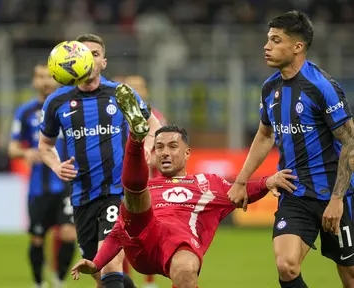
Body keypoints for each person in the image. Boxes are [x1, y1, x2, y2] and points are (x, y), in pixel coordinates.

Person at [70, 86, 297, 288]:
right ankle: (136, 138)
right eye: (159, 147)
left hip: (180, 247)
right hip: (143, 244)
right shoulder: (148, 184)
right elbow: (119, 231)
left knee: (186, 268)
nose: (165, 152)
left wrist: (268, 181)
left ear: (187, 153)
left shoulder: (208, 183)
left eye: (172, 146)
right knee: (136, 194)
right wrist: (97, 262)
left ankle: (135, 137)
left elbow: (241, 192)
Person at [226, 10, 354, 288]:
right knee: (286, 266)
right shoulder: (269, 88)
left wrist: (336, 200)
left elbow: (350, 142)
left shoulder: (322, 87)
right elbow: (264, 135)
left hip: (334, 194)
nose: (266, 46)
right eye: (267, 39)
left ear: (297, 47)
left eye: (275, 40)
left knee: (350, 276)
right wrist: (240, 180)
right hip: (295, 192)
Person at [38, 33, 161, 288]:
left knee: (110, 263)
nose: (88, 59)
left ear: (104, 62)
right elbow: (45, 145)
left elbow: (152, 124)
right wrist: (56, 165)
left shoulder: (120, 93)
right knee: (96, 268)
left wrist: (148, 147)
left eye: (94, 54)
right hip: (82, 194)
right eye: (82, 53)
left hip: (117, 190)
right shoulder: (56, 102)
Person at [8, 64, 76, 288]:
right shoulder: (26, 112)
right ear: (34, 81)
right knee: (37, 239)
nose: (45, 81)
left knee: (68, 234)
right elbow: (12, 148)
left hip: (69, 184)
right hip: (39, 186)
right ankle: (38, 282)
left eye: (49, 76)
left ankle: (59, 279)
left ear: (58, 79)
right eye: (40, 77)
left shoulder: (71, 106)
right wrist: (26, 152)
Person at [123, 75, 167, 288]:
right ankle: (125, 278)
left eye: (139, 87)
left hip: (152, 183)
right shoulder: (118, 118)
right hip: (126, 183)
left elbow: (164, 148)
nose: (136, 91)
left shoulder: (156, 118)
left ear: (146, 91)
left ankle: (150, 280)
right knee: (123, 233)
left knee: (152, 232)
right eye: (132, 88)